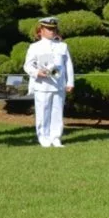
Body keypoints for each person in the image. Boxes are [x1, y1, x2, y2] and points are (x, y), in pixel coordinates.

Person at [23, 17, 75, 147]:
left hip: (58, 84)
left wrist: (70, 82)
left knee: (57, 112)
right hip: (43, 84)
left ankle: (56, 137)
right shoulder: (35, 47)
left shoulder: (62, 46)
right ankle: (43, 137)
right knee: (43, 112)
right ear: (41, 30)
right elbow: (27, 65)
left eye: (53, 29)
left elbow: (68, 65)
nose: (52, 31)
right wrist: (37, 72)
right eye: (48, 29)